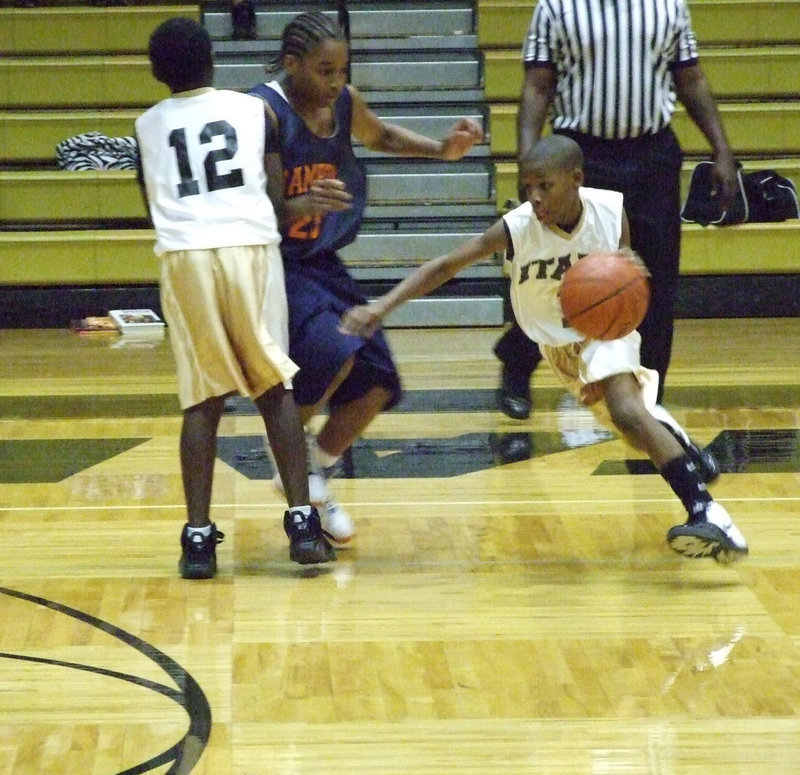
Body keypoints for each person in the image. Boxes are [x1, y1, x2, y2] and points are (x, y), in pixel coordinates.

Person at [340, 135, 748, 564]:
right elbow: (445, 266)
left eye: (544, 186)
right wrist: (382, 306)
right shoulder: (516, 228)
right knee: (632, 429)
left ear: (576, 180)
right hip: (557, 346)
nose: (534, 197)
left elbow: (624, 262)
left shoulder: (609, 210)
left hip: (606, 328)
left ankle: (708, 512)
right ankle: (676, 439)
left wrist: (631, 269)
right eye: (527, 187)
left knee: (628, 411)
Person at [247, 11, 484, 544]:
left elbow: (382, 137)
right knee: (335, 347)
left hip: (323, 259)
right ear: (291, 64)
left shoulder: (344, 102)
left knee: (379, 381)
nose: (335, 83)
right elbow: (255, 208)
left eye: (341, 70)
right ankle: (282, 444)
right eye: (324, 71)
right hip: (275, 263)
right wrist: (300, 202)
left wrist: (442, 150)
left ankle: (315, 474)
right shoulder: (265, 111)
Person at [135, 17, 336, 577]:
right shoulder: (254, 112)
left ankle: (198, 539)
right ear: (213, 61)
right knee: (274, 387)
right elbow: (274, 198)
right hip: (248, 248)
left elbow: (154, 206)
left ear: (156, 72)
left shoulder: (147, 125)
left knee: (202, 400)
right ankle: (302, 525)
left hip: (185, 256)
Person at [494, 0, 738, 420]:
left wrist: (722, 150)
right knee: (562, 275)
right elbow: (537, 86)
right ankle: (518, 361)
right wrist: (529, 165)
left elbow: (691, 78)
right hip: (581, 156)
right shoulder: (556, 8)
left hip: (652, 153)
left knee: (653, 277)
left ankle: (649, 396)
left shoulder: (669, 6)